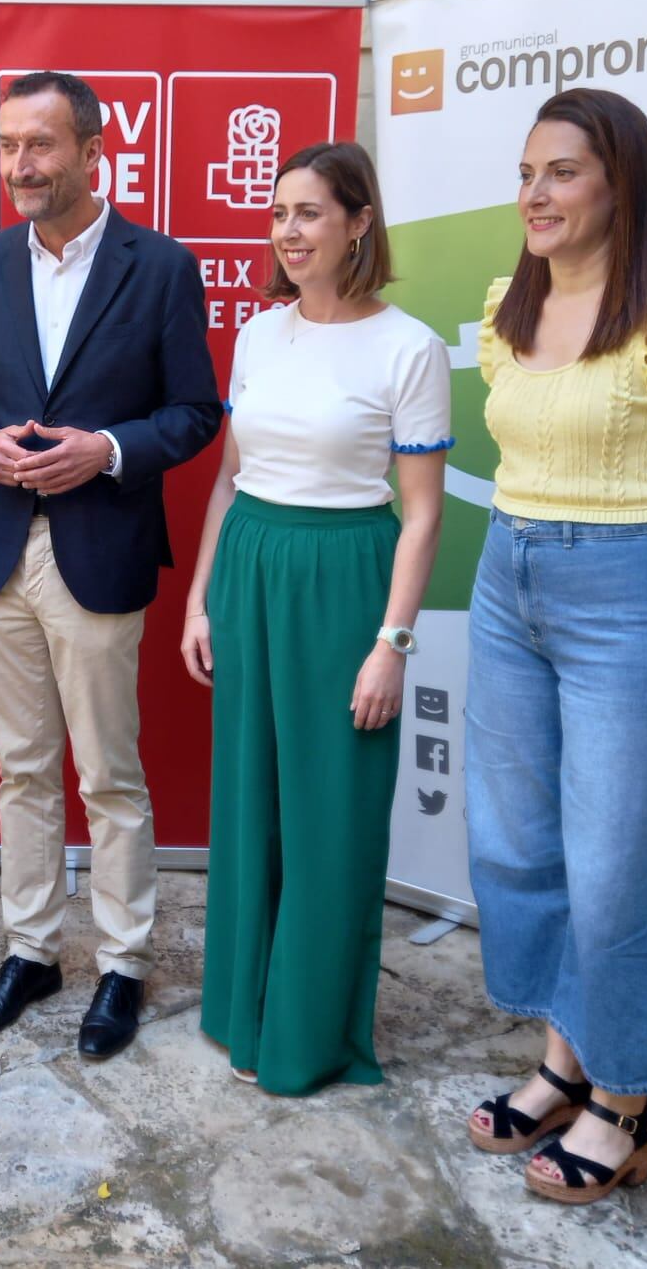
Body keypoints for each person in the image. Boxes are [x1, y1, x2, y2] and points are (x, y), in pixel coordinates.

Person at [460, 88, 647, 1203]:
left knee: (621, 861)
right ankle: (564, 1060)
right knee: (518, 842)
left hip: (628, 590)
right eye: (526, 173)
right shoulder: (513, 302)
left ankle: (626, 1101)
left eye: (562, 172)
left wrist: (632, 547)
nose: (534, 194)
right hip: (506, 580)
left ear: (619, 181)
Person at [0, 70, 221, 1060]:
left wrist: (105, 450)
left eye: (40, 145)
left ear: (93, 151)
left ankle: (122, 964)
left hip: (98, 549)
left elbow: (195, 413)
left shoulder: (160, 266)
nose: (20, 165)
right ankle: (30, 952)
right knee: (21, 770)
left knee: (107, 772)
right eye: (7, 145)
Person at [180, 140, 451, 1095]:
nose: (288, 233)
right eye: (278, 213)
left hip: (345, 584)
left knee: (332, 814)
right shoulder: (259, 334)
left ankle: (307, 1036)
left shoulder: (410, 347)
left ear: (359, 222)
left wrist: (392, 644)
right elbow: (229, 479)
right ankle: (243, 1012)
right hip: (250, 569)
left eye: (309, 213)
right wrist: (199, 599)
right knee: (249, 804)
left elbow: (423, 514)